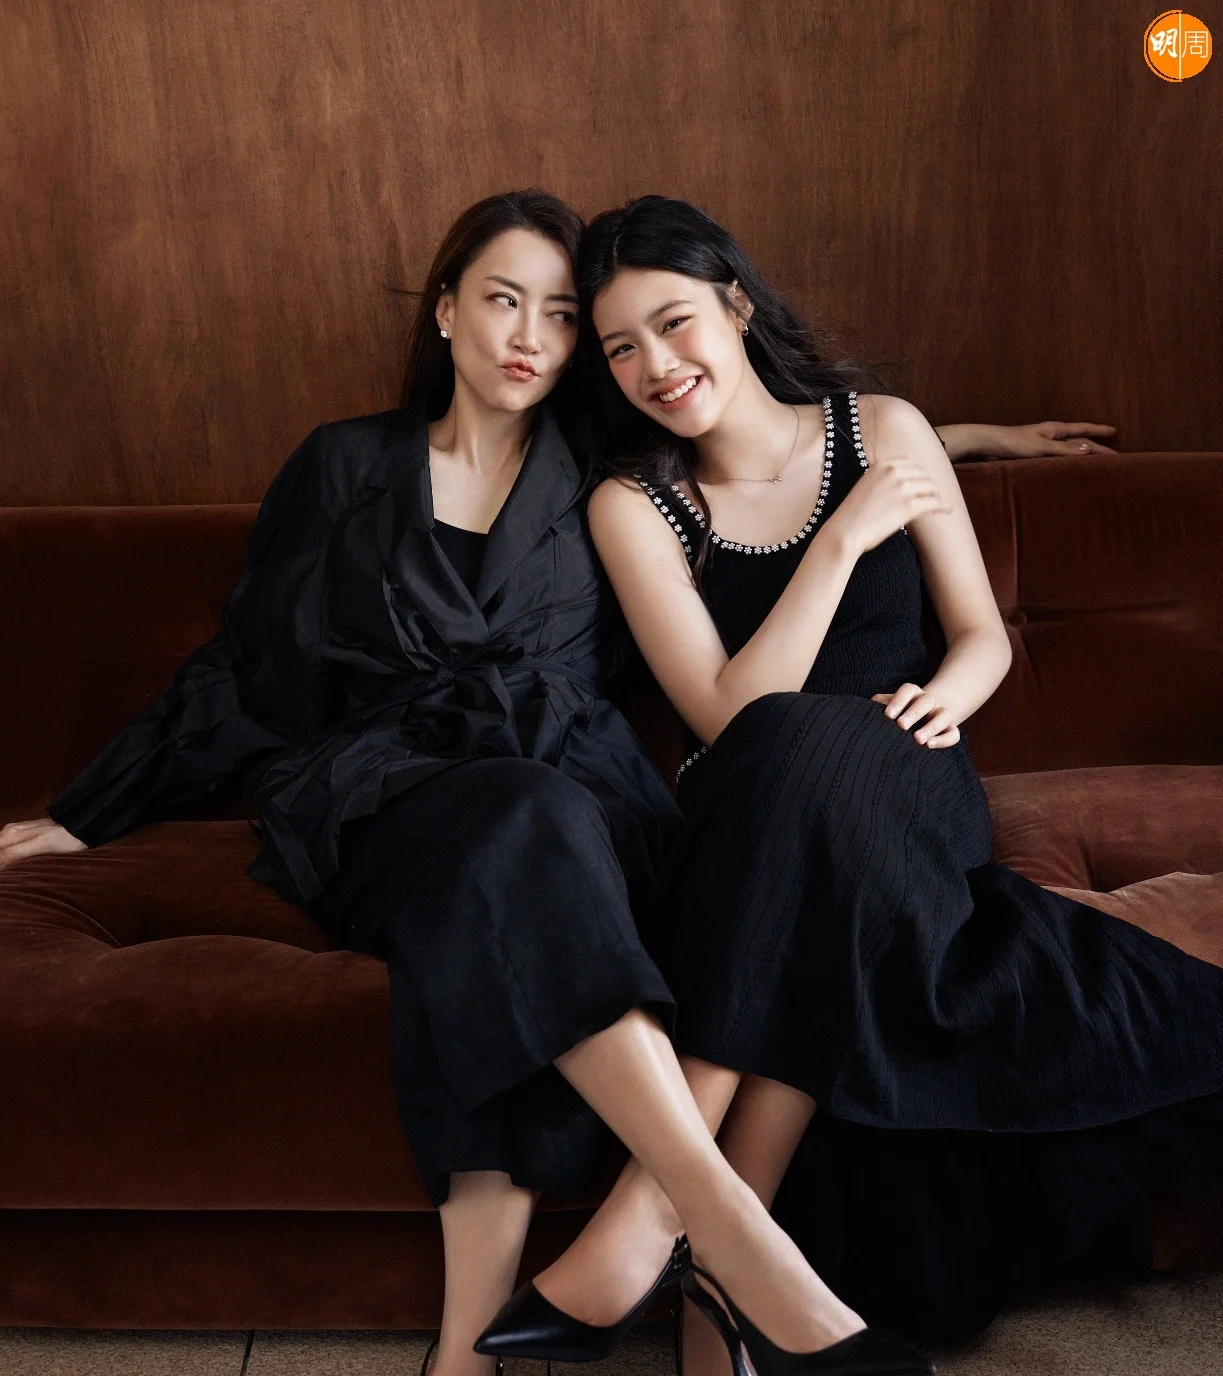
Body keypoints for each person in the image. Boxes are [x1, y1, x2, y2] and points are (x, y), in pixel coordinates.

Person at [0, 187, 1121, 1376]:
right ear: (445, 310)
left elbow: (762, 439)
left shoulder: (596, 466)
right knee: (521, 829)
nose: (530, 335)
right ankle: (729, 1240)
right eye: (502, 301)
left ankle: (482, 1344)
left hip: (561, 792)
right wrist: (84, 813)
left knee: (530, 843)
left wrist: (959, 438)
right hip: (381, 784)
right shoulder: (345, 464)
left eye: (560, 315)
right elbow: (245, 663)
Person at [482, 193, 1223, 1369]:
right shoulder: (633, 504)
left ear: (734, 303)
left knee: (841, 768)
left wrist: (944, 701)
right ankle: (717, 1270)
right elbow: (730, 714)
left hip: (911, 785)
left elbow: (977, 636)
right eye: (618, 346)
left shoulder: (878, 430)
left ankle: (661, 1216)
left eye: (673, 323)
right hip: (751, 812)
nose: (654, 366)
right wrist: (837, 542)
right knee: (795, 757)